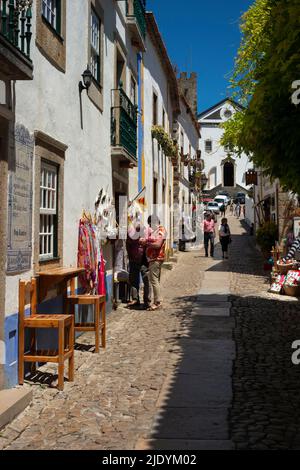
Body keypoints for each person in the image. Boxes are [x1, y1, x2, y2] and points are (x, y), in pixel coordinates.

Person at [142, 215, 167, 311]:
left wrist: (146, 243)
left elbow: (157, 244)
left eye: (150, 224)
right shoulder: (156, 231)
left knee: (153, 280)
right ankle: (157, 300)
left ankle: (158, 302)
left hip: (156, 258)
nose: (150, 226)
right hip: (153, 259)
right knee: (156, 280)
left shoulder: (161, 231)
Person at [126, 221, 151, 309]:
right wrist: (130, 257)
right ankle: (135, 299)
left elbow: (149, 245)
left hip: (144, 260)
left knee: (146, 280)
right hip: (134, 259)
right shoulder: (130, 236)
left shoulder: (146, 234)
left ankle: (147, 301)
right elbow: (128, 246)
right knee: (133, 280)